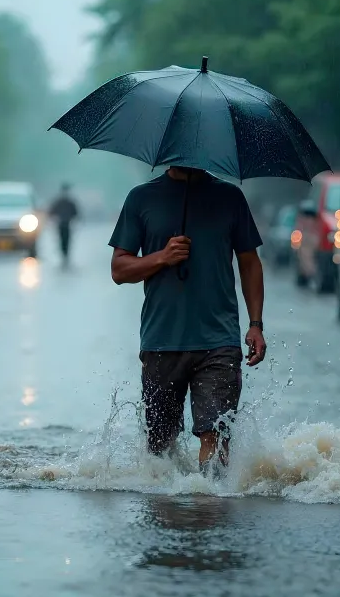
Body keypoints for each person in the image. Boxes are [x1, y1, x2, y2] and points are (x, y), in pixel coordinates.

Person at [109, 167, 267, 477]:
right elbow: (118, 269)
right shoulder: (141, 198)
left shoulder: (230, 197)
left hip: (219, 341)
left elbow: (250, 263)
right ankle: (169, 511)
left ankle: (209, 509)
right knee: (160, 445)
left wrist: (256, 323)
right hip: (161, 340)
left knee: (216, 434)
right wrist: (162, 257)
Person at [49, 183, 80, 267]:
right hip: (61, 224)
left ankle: (65, 256)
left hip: (67, 224)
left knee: (67, 241)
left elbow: (76, 213)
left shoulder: (69, 202)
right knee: (62, 240)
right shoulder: (60, 202)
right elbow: (51, 212)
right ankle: (64, 256)